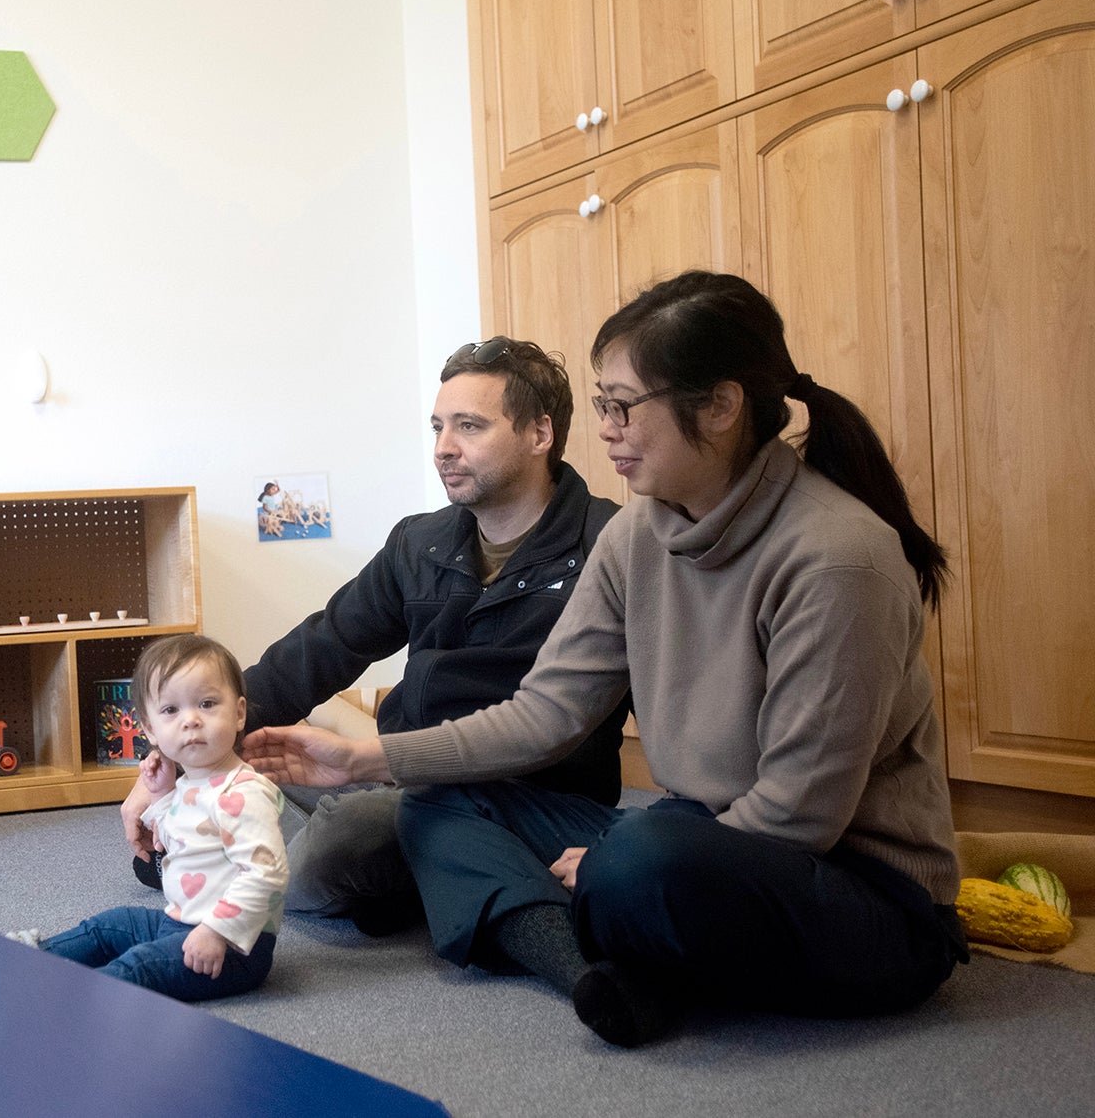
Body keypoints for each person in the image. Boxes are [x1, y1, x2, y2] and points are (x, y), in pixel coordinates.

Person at [244, 271, 968, 1047]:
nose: (607, 429)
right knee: (447, 797)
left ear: (720, 406)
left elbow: (800, 814)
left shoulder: (835, 558)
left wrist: (611, 860)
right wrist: (363, 759)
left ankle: (610, 925)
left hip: (859, 893)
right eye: (601, 405)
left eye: (622, 406)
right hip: (705, 837)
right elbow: (543, 713)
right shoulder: (637, 536)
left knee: (642, 859)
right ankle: (599, 951)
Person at [124, 337, 627, 935]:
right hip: (395, 764)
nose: (443, 448)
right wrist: (170, 764)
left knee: (323, 856)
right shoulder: (421, 541)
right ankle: (422, 873)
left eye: (469, 426)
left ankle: (412, 871)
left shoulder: (610, 544)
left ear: (540, 434)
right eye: (438, 426)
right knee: (260, 760)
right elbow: (319, 650)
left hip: (524, 796)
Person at [11, 634, 288, 1002]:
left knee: (137, 966)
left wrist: (216, 931)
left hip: (233, 948)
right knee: (110, 926)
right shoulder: (191, 782)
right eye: (171, 710)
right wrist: (160, 796)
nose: (190, 720)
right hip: (178, 922)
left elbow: (267, 873)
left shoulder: (243, 793)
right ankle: (28, 961)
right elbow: (184, 837)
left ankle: (66, 1002)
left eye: (206, 704)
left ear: (239, 713)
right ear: (150, 729)